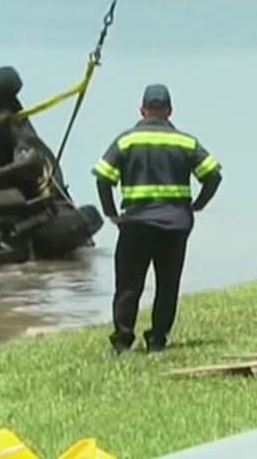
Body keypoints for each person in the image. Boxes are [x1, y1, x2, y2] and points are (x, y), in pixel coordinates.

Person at [92, 83, 222, 354]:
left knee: (128, 284)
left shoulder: (126, 141)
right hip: (176, 225)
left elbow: (103, 177)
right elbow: (213, 175)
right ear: (169, 111)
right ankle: (157, 339)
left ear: (142, 110)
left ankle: (123, 339)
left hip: (136, 224)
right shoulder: (185, 142)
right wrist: (196, 205)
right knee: (168, 283)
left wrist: (111, 213)